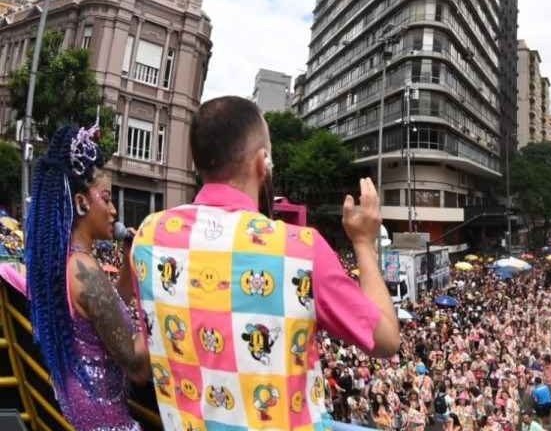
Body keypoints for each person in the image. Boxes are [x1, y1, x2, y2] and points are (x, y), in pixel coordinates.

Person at [131, 96, 402, 430]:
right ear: (262, 163)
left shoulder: (147, 237)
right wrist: (363, 243)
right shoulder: (300, 248)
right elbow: (387, 339)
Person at [25, 123, 150, 431]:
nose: (114, 212)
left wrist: (127, 260)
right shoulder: (85, 271)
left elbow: (112, 307)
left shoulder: (67, 261)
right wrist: (162, 317)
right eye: (106, 199)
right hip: (109, 423)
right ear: (81, 203)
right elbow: (137, 367)